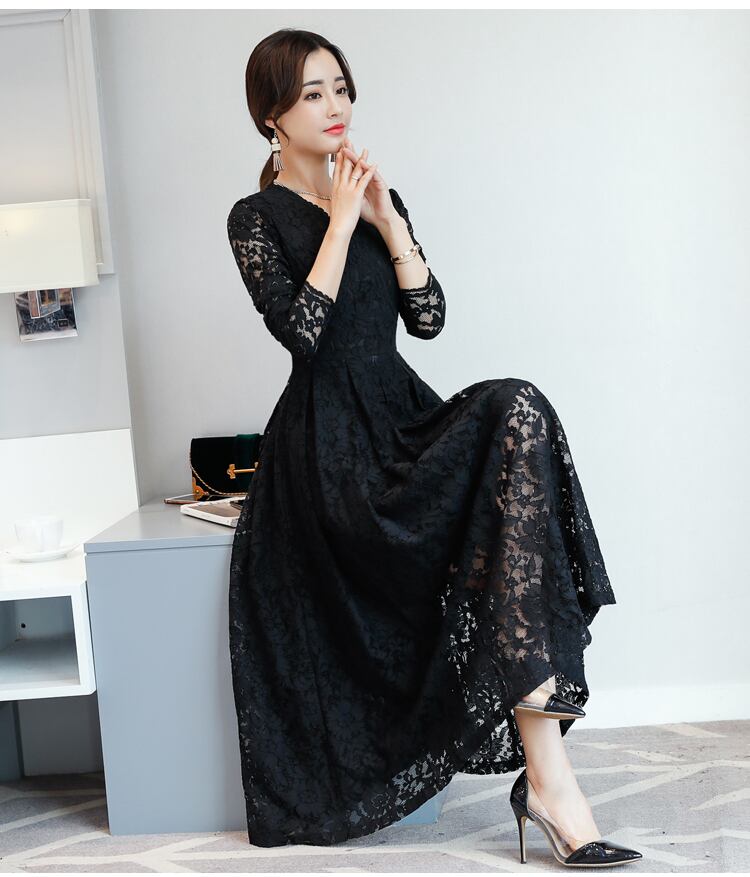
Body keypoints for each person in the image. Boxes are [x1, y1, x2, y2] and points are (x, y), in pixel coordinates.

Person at [226, 27, 642, 867]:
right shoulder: (254, 218)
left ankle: (548, 775)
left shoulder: (379, 196)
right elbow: (303, 335)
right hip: (330, 450)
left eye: (341, 87)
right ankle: (551, 785)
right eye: (313, 93)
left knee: (517, 411)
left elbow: (427, 318)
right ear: (272, 115)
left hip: (400, 415)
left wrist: (387, 221)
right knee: (501, 484)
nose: (336, 105)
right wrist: (340, 222)